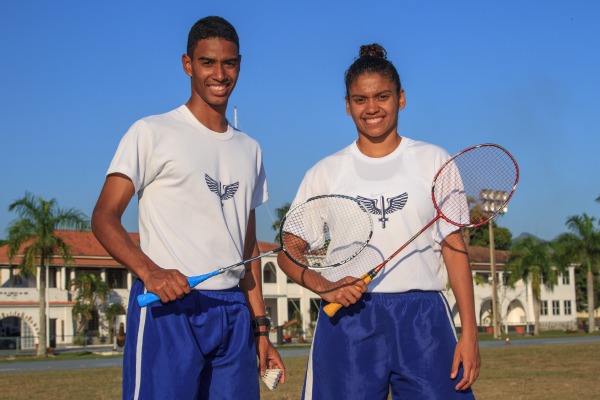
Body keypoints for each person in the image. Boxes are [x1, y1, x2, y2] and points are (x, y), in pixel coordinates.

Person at [91, 16, 285, 399]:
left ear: (239, 65)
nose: (219, 73)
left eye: (228, 63)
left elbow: (247, 250)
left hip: (233, 313)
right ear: (187, 64)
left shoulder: (251, 149)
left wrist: (261, 328)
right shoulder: (151, 132)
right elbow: (103, 216)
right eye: (207, 62)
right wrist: (151, 272)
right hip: (169, 306)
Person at [277, 43, 480, 399]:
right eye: (360, 99)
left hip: (423, 320)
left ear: (401, 98)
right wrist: (324, 285)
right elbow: (288, 251)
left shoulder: (434, 160)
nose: (372, 108)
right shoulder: (326, 172)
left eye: (382, 96)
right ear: (347, 105)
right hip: (349, 318)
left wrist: (470, 333)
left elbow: (453, 247)